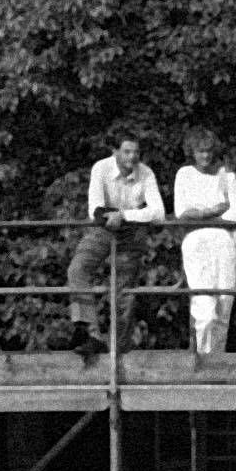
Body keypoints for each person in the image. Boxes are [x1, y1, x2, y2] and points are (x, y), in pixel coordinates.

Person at [70, 133, 163, 357]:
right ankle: (91, 332)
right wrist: (118, 216)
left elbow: (158, 213)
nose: (132, 157)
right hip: (103, 228)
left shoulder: (146, 173)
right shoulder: (100, 168)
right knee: (77, 269)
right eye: (127, 152)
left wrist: (124, 215)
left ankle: (117, 349)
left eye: (136, 152)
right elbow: (96, 209)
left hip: (130, 230)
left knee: (124, 292)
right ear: (116, 152)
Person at [172, 130, 236, 355]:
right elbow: (181, 212)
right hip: (196, 241)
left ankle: (218, 360)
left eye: (208, 151)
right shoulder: (184, 174)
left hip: (224, 240)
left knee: (225, 301)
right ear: (192, 153)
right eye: (200, 151)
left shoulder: (226, 175)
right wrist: (214, 211)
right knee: (205, 309)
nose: (205, 156)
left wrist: (201, 214)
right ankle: (203, 360)